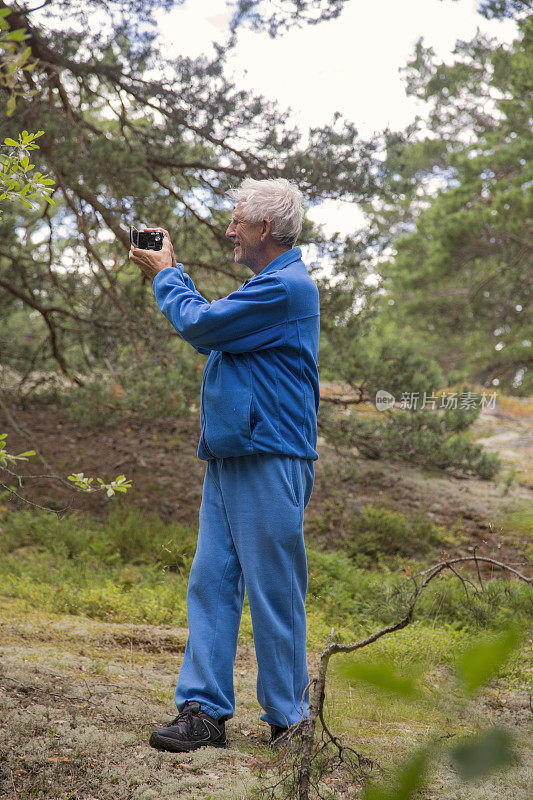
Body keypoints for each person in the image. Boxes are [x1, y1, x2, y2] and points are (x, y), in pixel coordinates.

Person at [128, 177, 320, 752]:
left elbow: (201, 325)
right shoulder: (264, 285)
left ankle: (290, 721)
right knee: (211, 582)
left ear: (265, 228)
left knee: (274, 589)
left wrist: (167, 272)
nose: (230, 230)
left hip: (271, 457)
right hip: (233, 454)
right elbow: (213, 324)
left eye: (238, 220)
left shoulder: (286, 288)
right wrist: (173, 275)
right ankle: (203, 712)